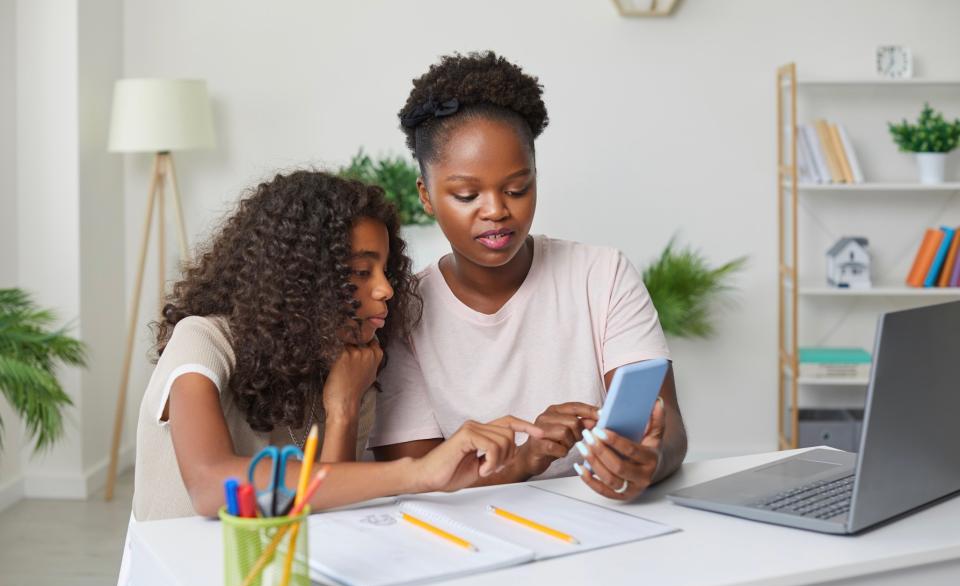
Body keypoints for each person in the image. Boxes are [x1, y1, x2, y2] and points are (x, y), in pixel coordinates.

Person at [132, 169, 542, 521]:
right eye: (362, 272)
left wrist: (343, 408)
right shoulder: (203, 340)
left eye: (385, 270)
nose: (385, 289)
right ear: (299, 280)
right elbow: (209, 485)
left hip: (271, 583)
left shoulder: (352, 366)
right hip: (181, 582)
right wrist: (417, 473)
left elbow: (324, 513)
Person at [368, 52, 687, 500]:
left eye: (518, 188)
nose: (497, 210)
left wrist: (647, 461)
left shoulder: (602, 274)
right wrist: (526, 459)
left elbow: (667, 427)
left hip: (605, 521)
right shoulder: (405, 311)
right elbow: (416, 479)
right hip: (473, 542)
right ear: (426, 195)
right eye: (466, 194)